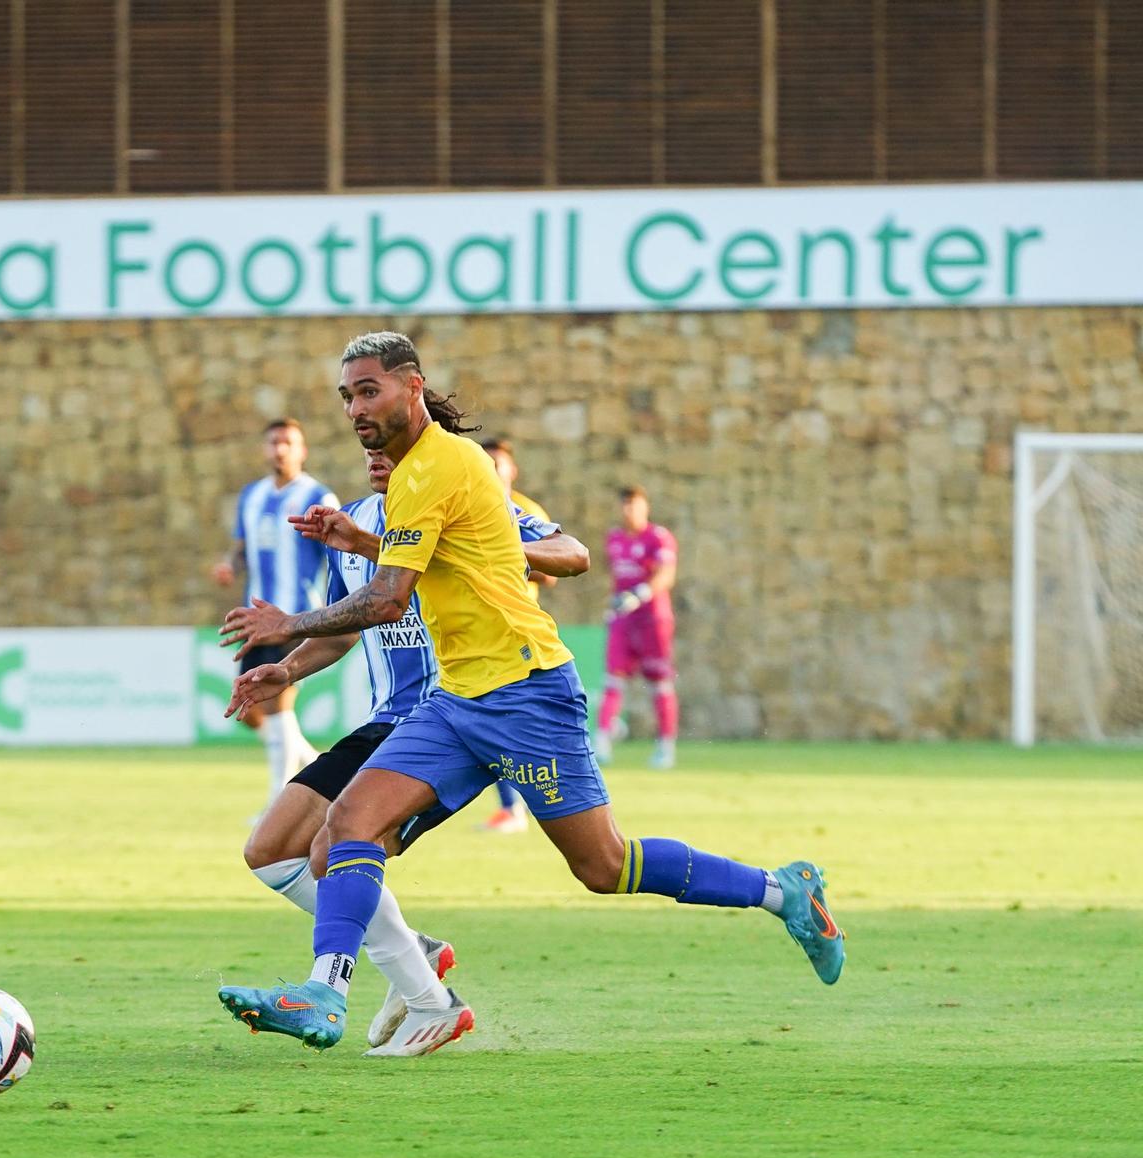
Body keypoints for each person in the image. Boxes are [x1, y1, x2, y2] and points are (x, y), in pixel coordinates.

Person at [217, 331, 842, 1052]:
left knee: (604, 865)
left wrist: (289, 625)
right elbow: (417, 571)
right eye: (347, 396)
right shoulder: (412, 478)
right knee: (346, 827)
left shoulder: (441, 467)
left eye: (368, 391)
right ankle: (326, 993)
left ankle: (783, 890)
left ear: (412, 387)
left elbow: (392, 599)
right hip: (456, 698)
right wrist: (345, 572)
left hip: (527, 694)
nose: (355, 409)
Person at [228, 443, 589, 1055]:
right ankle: (412, 954)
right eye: (368, 446)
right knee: (268, 851)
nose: (377, 454)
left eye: (390, 444)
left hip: (451, 717)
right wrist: (285, 670)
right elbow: (346, 625)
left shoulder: (468, 508)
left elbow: (572, 553)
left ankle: (413, 998)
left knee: (332, 851)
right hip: (385, 720)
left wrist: (496, 551)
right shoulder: (349, 521)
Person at [211, 418, 338, 801]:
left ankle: (277, 803)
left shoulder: (318, 497)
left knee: (277, 705)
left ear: (302, 450)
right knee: (250, 710)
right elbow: (241, 548)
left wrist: (332, 611)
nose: (280, 449)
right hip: (256, 620)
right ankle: (316, 768)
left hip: (295, 619)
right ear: (265, 449)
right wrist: (230, 565)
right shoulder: (251, 496)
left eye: (288, 442)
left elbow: (338, 557)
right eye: (273, 442)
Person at [479, 437, 553, 831]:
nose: (492, 469)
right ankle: (512, 807)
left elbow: (553, 570)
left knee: (504, 724)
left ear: (513, 470)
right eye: (486, 462)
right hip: (477, 631)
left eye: (499, 463)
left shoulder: (527, 512)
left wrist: (502, 560)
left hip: (517, 632)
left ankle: (518, 808)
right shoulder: (469, 507)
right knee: (493, 724)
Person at [598, 485, 680, 769]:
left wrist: (640, 594)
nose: (628, 510)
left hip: (653, 619)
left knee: (659, 682)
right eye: (625, 505)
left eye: (633, 505)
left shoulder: (658, 538)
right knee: (613, 679)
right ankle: (602, 742)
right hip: (623, 619)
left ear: (645, 508)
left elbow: (666, 575)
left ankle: (665, 746)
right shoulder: (615, 538)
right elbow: (617, 578)